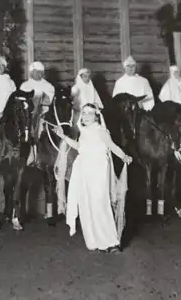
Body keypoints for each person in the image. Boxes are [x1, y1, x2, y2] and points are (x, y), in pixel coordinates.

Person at [53, 103, 132, 253]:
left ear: (96, 115)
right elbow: (79, 147)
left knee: (99, 203)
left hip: (98, 170)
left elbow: (113, 146)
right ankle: (94, 241)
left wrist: (124, 156)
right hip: (82, 171)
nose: (86, 116)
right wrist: (63, 136)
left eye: (90, 113)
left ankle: (110, 242)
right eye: (83, 113)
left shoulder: (101, 131)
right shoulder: (83, 131)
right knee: (86, 205)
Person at [70, 68, 103, 136]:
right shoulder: (75, 88)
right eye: (85, 76)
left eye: (88, 76)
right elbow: (72, 104)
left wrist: (96, 105)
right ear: (80, 77)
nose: (87, 78)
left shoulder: (91, 87)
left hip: (91, 113)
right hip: (79, 114)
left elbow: (97, 101)